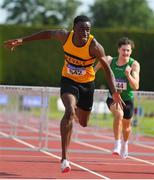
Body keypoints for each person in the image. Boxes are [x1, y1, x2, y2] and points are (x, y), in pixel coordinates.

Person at [4, 15, 124, 172]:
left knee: (83, 122)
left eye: (88, 30)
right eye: (82, 29)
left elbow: (107, 71)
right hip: (69, 81)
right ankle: (64, 158)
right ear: (74, 28)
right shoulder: (64, 36)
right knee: (68, 111)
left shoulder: (94, 46)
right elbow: (46, 34)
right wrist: (21, 40)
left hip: (87, 85)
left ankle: (73, 112)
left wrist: (114, 92)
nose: (85, 33)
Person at [95, 37, 140, 159]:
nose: (126, 53)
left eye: (128, 51)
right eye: (124, 50)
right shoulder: (110, 60)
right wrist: (92, 73)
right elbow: (101, 61)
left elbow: (136, 86)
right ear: (118, 50)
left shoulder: (134, 64)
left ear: (131, 51)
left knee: (127, 128)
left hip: (127, 100)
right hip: (113, 97)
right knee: (118, 114)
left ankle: (125, 144)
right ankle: (117, 143)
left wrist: (128, 75)